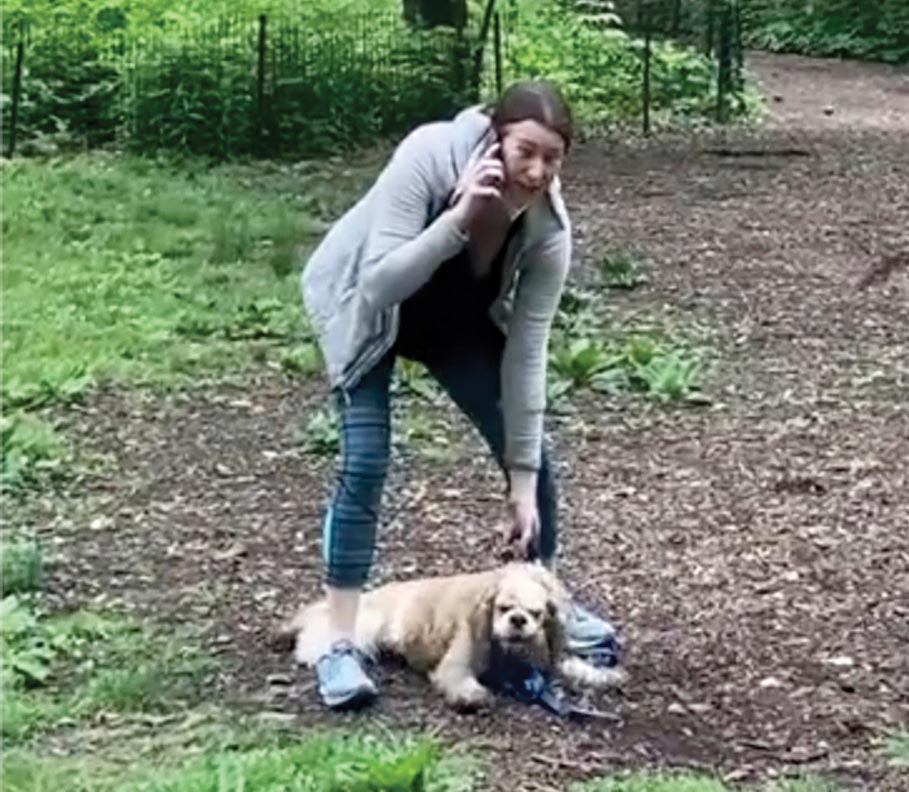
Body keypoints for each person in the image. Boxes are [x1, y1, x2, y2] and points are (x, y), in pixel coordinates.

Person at [299, 80, 617, 710]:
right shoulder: (429, 155)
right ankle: (338, 643)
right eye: (525, 151)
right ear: (496, 139)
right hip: (368, 313)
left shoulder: (548, 229)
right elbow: (379, 285)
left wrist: (521, 481)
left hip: (453, 325)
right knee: (365, 461)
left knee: (533, 459)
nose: (537, 171)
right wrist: (458, 221)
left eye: (553, 158)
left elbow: (527, 355)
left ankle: (545, 604)